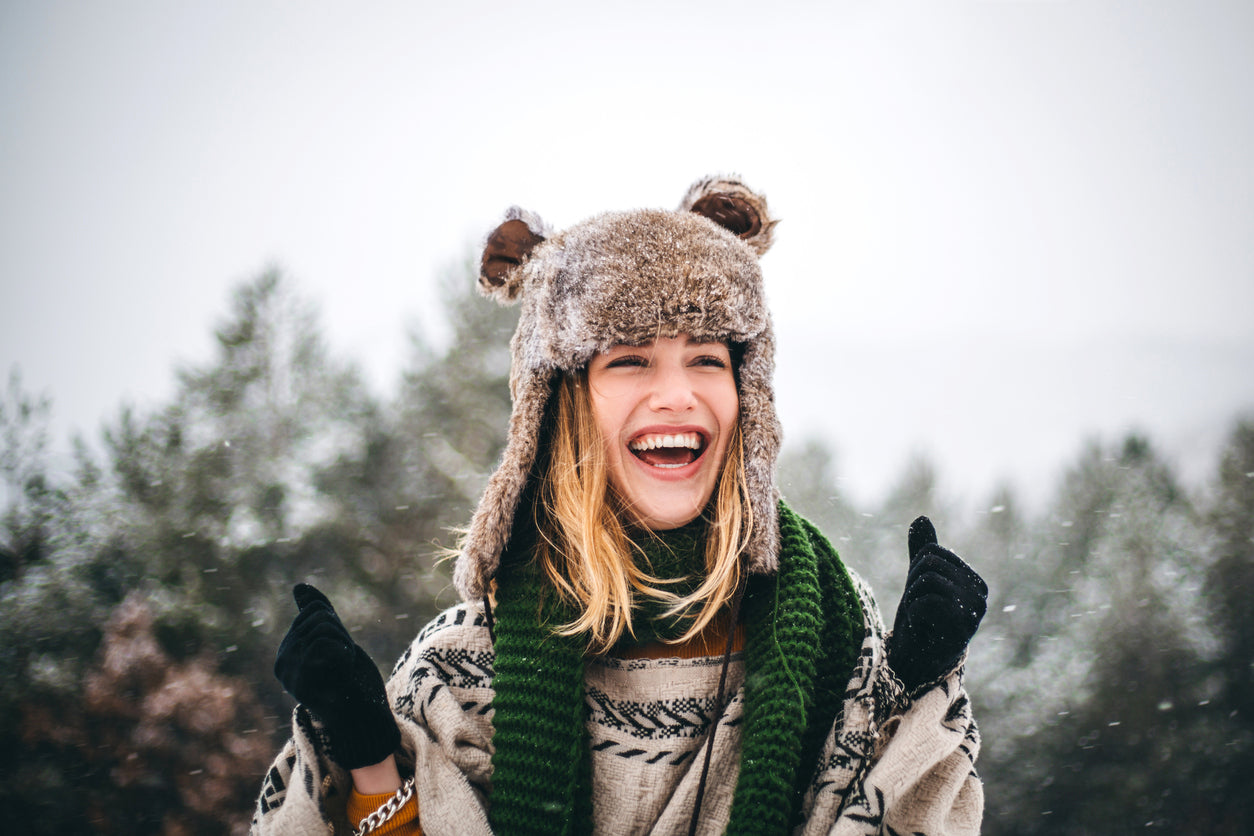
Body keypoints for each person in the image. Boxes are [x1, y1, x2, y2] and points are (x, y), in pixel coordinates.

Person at [250, 175, 988, 835]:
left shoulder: (834, 633)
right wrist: (370, 760)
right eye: (630, 359)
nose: (678, 393)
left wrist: (914, 689)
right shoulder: (467, 669)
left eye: (707, 357)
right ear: (560, 404)